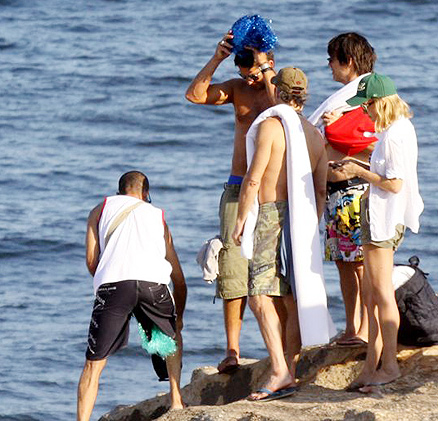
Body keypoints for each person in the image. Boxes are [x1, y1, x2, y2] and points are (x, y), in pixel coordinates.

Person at [232, 68, 333, 401]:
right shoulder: (315, 136)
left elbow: (253, 179)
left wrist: (241, 218)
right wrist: (308, 225)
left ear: (278, 92)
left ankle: (278, 371)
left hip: (270, 214)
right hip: (302, 220)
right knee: (291, 295)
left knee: (260, 294)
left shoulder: (272, 127)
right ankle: (289, 366)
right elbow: (320, 189)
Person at [185, 26, 276, 374]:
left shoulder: (276, 85)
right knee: (233, 268)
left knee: (272, 271)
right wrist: (217, 57)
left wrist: (265, 70)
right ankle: (233, 350)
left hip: (269, 191)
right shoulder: (238, 88)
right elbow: (195, 95)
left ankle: (280, 345)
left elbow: (283, 107)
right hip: (238, 188)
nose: (248, 81)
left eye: (252, 74)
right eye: (244, 75)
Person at [331, 73, 423, 389]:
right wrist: (361, 163)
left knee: (381, 294)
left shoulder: (396, 134)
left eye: (367, 105)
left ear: (379, 102)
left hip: (386, 220)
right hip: (378, 217)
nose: (365, 112)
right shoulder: (393, 131)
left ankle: (388, 366)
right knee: (370, 293)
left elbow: (395, 184)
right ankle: (371, 365)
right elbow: (388, 173)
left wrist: (357, 171)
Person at [77, 171, 187, 421]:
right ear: (145, 193)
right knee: (170, 339)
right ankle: (176, 400)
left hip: (114, 286)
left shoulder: (100, 209)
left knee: (94, 363)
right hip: (153, 285)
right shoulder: (158, 216)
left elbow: (92, 261)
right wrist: (177, 319)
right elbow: (179, 280)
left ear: (119, 191)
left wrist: (107, 283)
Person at [309, 32, 378, 346]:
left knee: (360, 264)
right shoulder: (345, 99)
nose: (328, 66)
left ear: (347, 61)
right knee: (343, 263)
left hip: (354, 189)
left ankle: (364, 329)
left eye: (331, 59)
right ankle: (351, 327)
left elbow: (373, 146)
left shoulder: (366, 100)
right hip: (336, 193)